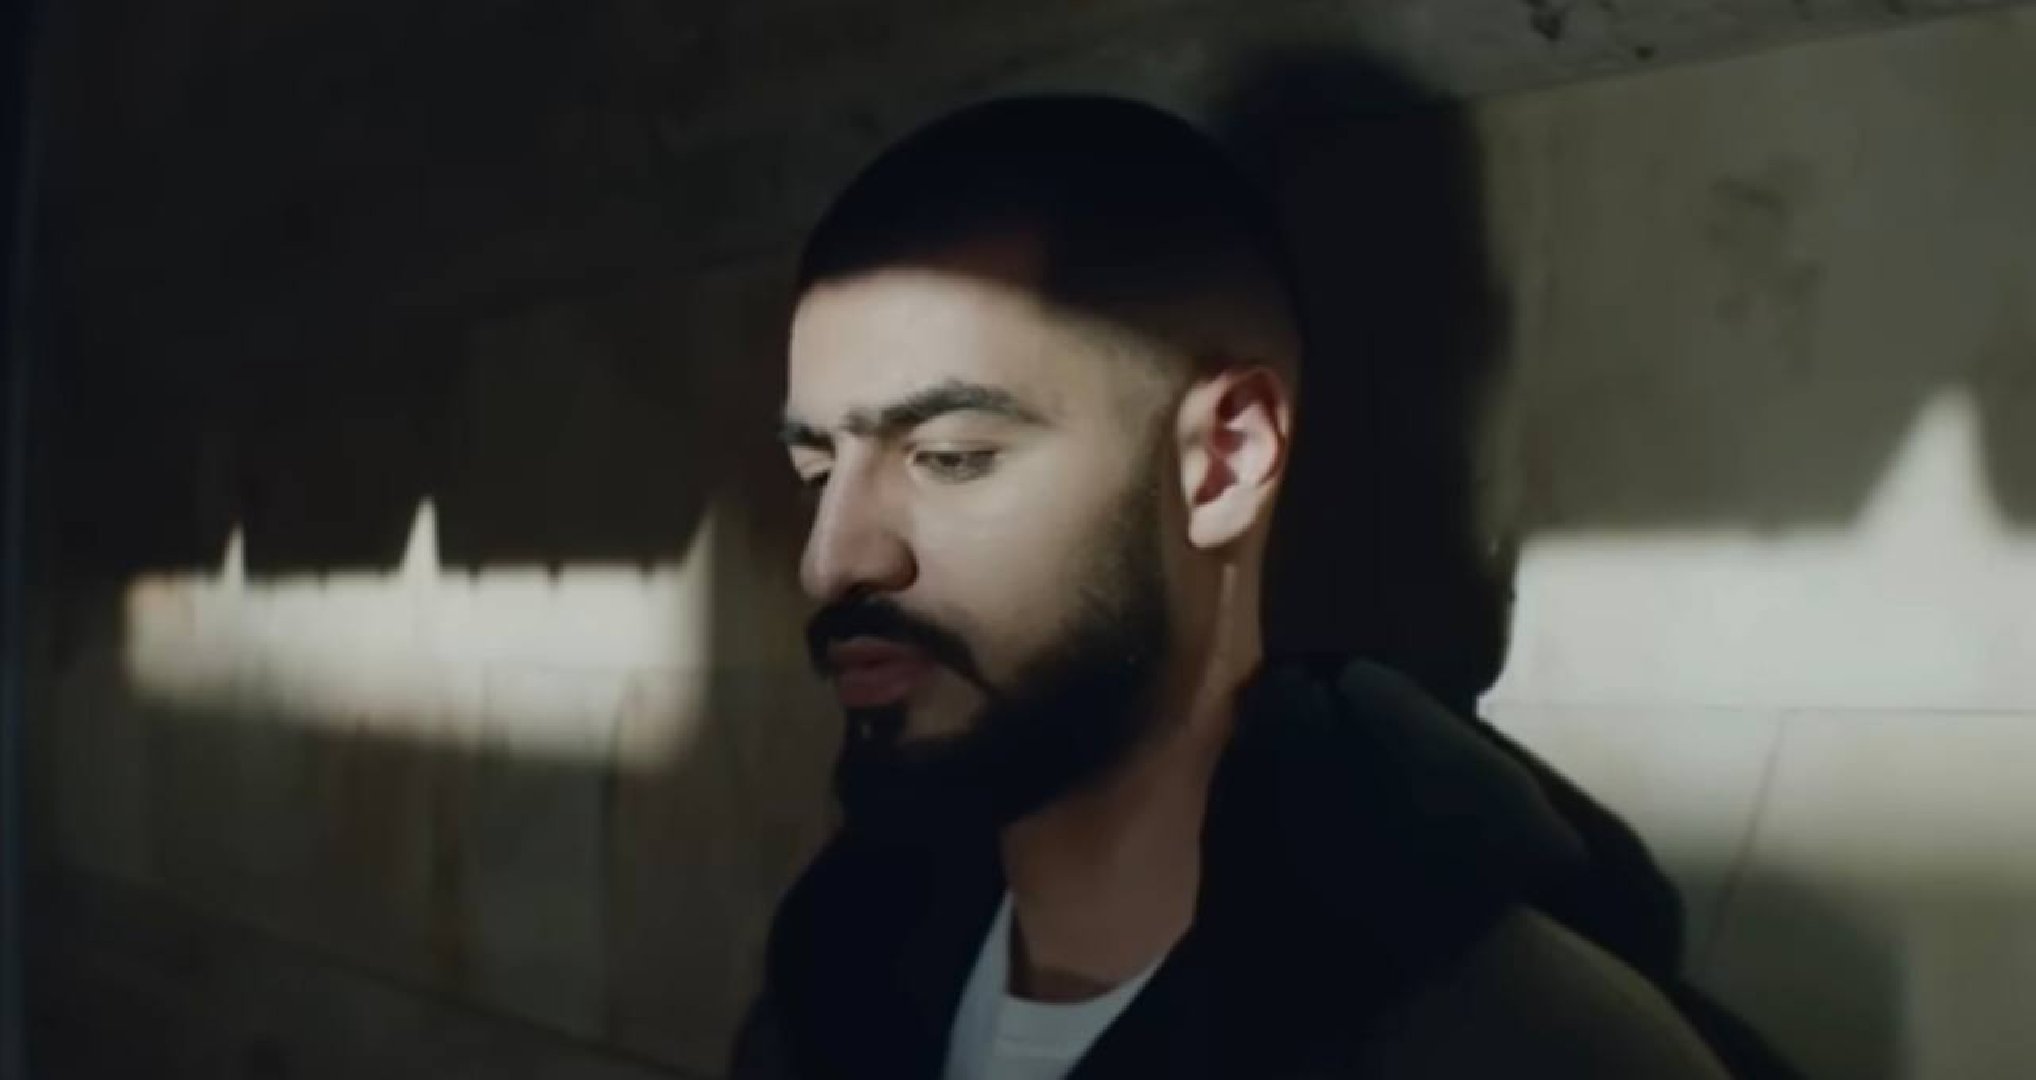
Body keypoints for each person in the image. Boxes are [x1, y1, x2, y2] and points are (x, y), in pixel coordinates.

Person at [735, 94, 1776, 1079]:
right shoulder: (836, 975)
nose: (831, 561)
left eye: (950, 457)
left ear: (1224, 463)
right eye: (817, 470)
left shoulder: (1514, 1047)